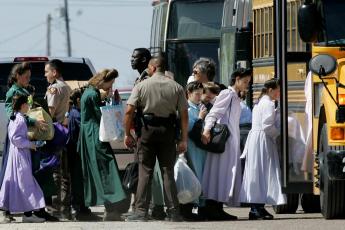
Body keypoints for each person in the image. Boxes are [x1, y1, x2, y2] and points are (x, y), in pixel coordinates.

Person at [124, 56, 188, 222]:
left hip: (147, 131)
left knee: (145, 171)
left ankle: (140, 212)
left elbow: (129, 111)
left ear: (151, 68)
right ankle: (174, 212)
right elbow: (184, 115)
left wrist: (126, 133)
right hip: (168, 130)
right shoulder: (177, 87)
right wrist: (183, 139)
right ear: (164, 69)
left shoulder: (141, 86)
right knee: (168, 171)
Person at [201, 68, 252, 220]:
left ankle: (218, 207)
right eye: (244, 82)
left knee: (225, 173)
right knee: (220, 173)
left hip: (231, 142)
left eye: (248, 82)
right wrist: (207, 130)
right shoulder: (227, 94)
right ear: (236, 79)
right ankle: (213, 207)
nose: (246, 85)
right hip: (225, 142)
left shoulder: (235, 97)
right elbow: (214, 113)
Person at [0, 62, 47, 223]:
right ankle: (4, 210)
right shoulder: (13, 92)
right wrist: (34, 121)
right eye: (25, 76)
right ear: (17, 76)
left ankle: (29, 210)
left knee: (23, 175)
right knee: (11, 173)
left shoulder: (25, 91)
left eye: (29, 76)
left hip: (25, 138)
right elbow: (14, 114)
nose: (28, 79)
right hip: (17, 140)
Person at [78, 69, 126, 221]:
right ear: (105, 80)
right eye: (110, 83)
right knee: (107, 168)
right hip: (94, 134)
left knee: (99, 170)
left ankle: (109, 208)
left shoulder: (88, 91)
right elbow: (102, 115)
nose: (110, 86)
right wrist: (114, 103)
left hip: (87, 134)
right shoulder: (93, 94)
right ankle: (111, 209)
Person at [240, 78, 286, 220]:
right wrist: (278, 135)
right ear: (270, 90)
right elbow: (267, 126)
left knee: (257, 172)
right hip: (263, 140)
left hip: (256, 138)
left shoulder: (261, 102)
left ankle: (257, 207)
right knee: (263, 172)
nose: (279, 93)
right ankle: (256, 208)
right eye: (277, 90)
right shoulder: (268, 104)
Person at [129, 48, 166, 220]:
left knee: (150, 171)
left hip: (148, 129)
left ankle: (151, 208)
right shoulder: (141, 77)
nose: (131, 60)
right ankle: (147, 206)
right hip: (143, 129)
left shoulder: (149, 77)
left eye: (134, 57)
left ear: (145, 59)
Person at [44, 59, 72, 220]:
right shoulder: (67, 87)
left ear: (54, 72)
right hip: (66, 131)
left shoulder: (54, 89)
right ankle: (66, 209)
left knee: (56, 172)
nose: (45, 74)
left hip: (55, 132)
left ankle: (57, 208)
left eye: (47, 71)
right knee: (65, 173)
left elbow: (50, 113)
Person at [182, 81, 208, 220]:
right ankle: (194, 206)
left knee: (202, 175)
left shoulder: (200, 107)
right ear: (189, 94)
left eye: (201, 93)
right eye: (196, 94)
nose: (199, 96)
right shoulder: (188, 108)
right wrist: (200, 118)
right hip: (192, 147)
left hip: (202, 149)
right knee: (195, 174)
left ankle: (201, 206)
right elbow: (190, 129)